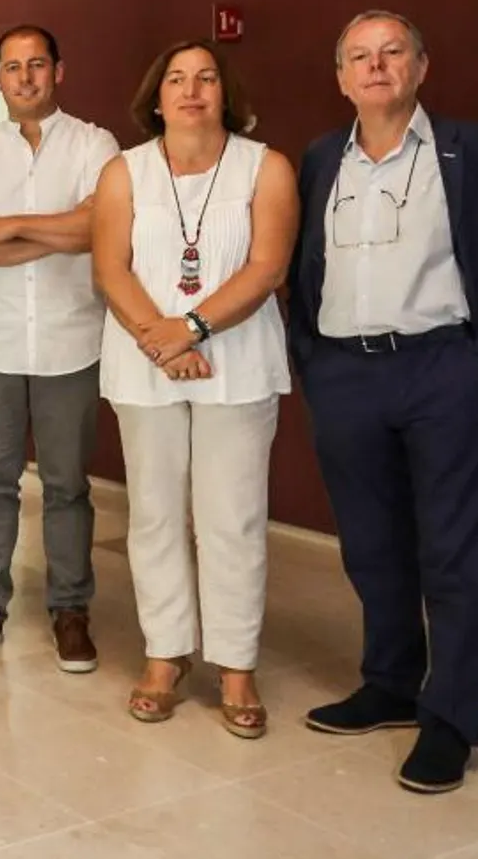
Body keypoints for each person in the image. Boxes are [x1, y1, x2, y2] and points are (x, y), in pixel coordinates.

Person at [289, 11, 478, 793]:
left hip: (445, 370)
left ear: (421, 67)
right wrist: (314, 363)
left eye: (392, 52)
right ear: (341, 78)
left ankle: (451, 719)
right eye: (359, 56)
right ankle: (392, 683)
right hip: (346, 375)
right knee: (371, 544)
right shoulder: (320, 158)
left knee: (455, 553)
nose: (376, 66)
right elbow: (300, 264)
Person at [93, 40, 295, 739]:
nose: (191, 89)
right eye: (176, 79)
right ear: (156, 96)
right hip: (147, 359)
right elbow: (110, 266)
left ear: (224, 92)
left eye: (206, 77)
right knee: (152, 514)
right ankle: (164, 654)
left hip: (235, 361)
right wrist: (162, 336)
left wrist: (194, 327)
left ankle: (236, 665)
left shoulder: (266, 168)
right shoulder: (124, 171)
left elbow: (268, 266)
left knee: (231, 518)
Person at [0, 25, 120, 671]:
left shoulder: (95, 143)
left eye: (36, 64)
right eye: (12, 67)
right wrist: (64, 230)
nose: (25, 77)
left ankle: (71, 610)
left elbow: (104, 226)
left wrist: (10, 225)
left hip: (73, 340)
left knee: (69, 485)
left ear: (58, 71)